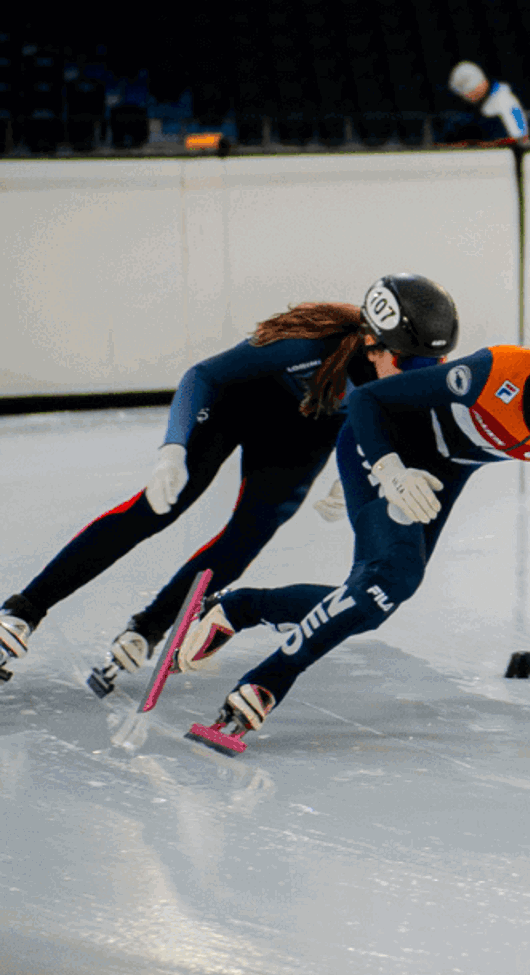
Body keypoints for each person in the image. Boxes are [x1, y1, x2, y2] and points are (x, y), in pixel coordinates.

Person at [164, 294, 530, 751]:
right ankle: (264, 685)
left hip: (441, 471)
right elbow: (369, 402)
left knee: (374, 601)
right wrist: (386, 468)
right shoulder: (493, 373)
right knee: (389, 580)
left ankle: (239, 608)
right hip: (383, 443)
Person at [0, 275, 460, 691]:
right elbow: (204, 375)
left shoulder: (403, 374)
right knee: (154, 510)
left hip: (303, 433)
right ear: (371, 343)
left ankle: (150, 626)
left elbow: (389, 427)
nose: (417, 377)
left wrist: (360, 468)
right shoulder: (311, 346)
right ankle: (23, 611)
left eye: (430, 364)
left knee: (247, 538)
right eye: (407, 362)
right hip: (237, 406)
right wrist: (173, 449)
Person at [444, 60, 529, 145]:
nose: (466, 98)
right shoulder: (481, 103)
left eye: (468, 93)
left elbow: (520, 138)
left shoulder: (506, 101)